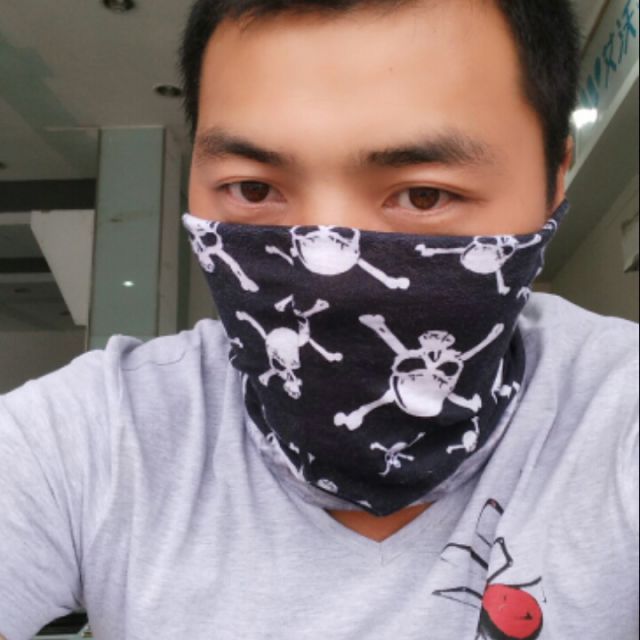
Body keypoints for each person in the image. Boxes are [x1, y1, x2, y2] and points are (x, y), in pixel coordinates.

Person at [1, 0, 638, 638]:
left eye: (424, 195)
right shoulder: (93, 437)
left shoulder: (619, 417)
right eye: (254, 189)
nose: (329, 274)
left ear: (554, 179)